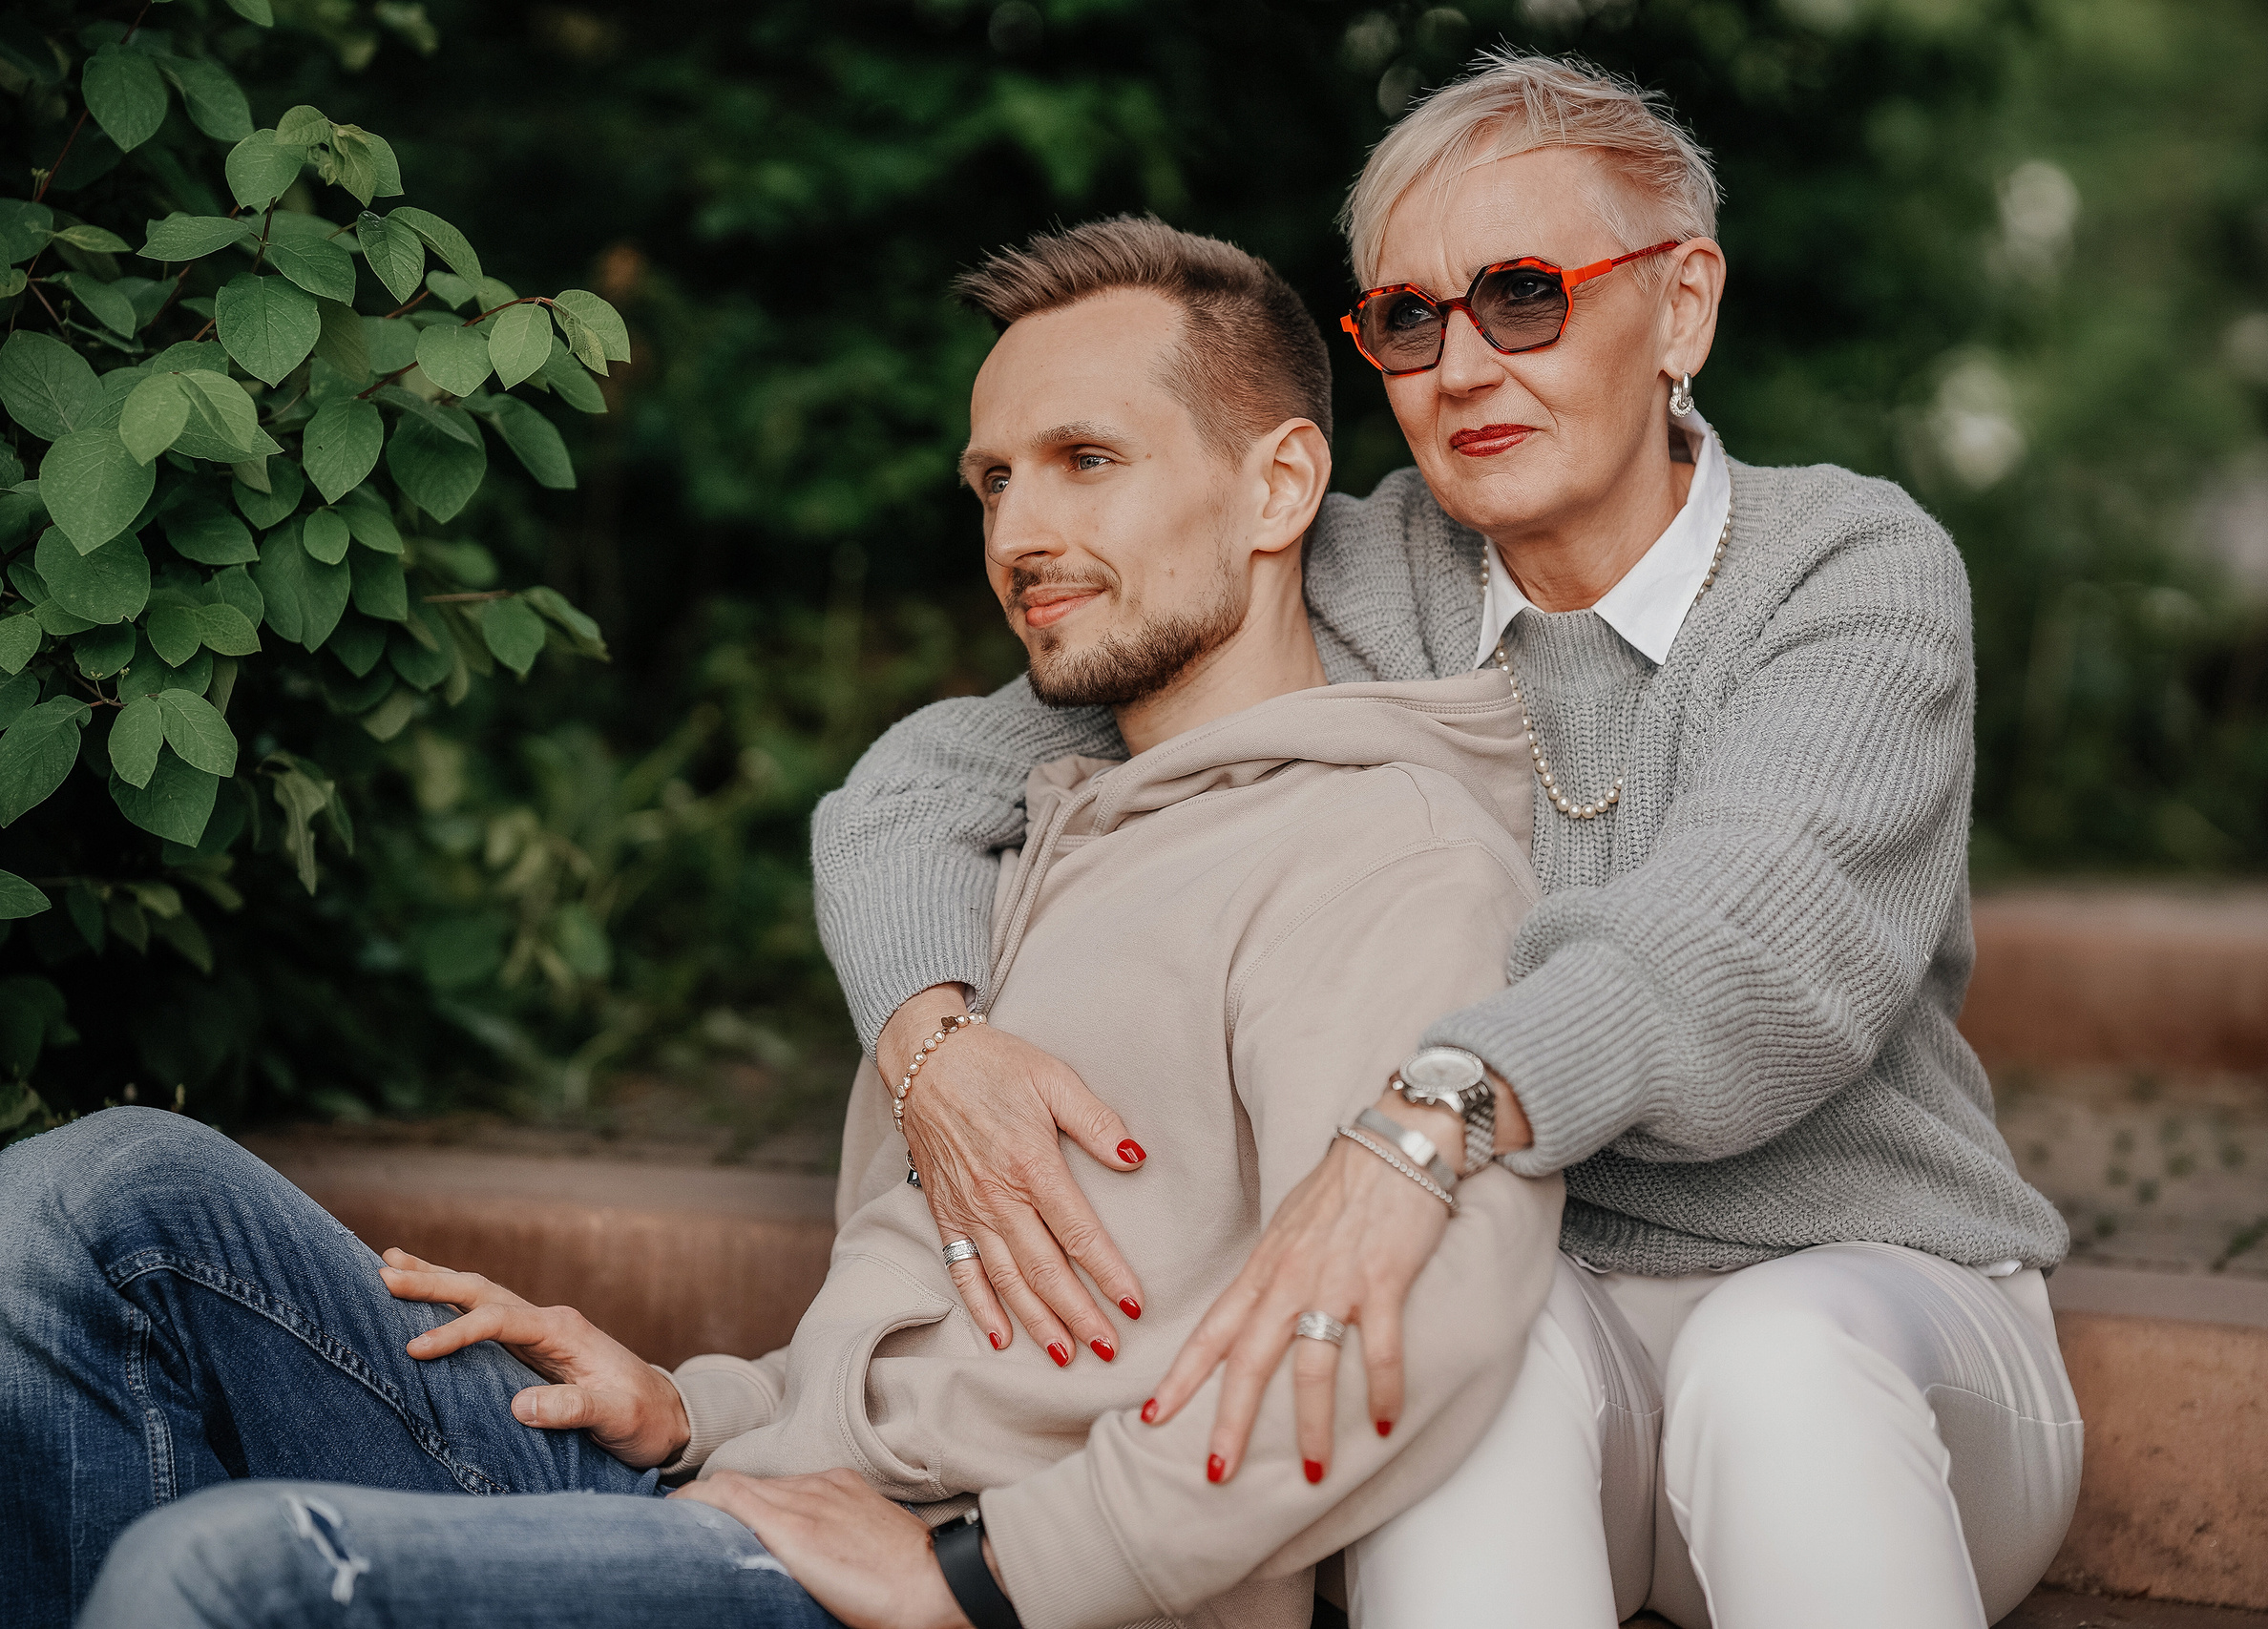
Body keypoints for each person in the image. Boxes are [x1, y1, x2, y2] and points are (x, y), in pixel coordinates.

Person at [6, 219, 1567, 1629]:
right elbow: (925, 1342)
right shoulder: (1033, 839)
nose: (1017, 533)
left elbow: (1396, 1330)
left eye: (1087, 459)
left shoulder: (1381, 850)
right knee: (103, 1199)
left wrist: (987, 1574)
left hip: (964, 1585)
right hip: (743, 1498)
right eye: (994, 480)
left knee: (220, 1578)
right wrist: (698, 1410)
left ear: (1279, 486)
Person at [810, 51, 2083, 1629]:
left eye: (1525, 296)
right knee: (1428, 1357)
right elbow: (919, 788)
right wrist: (934, 1052)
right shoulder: (1351, 572)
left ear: (1682, 307)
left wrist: (1430, 1114)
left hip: (1884, 1310)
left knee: (1780, 1366)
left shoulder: (1848, 573)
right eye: (1410, 320)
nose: (1463, 365)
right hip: (1552, 1314)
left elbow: (1760, 931)